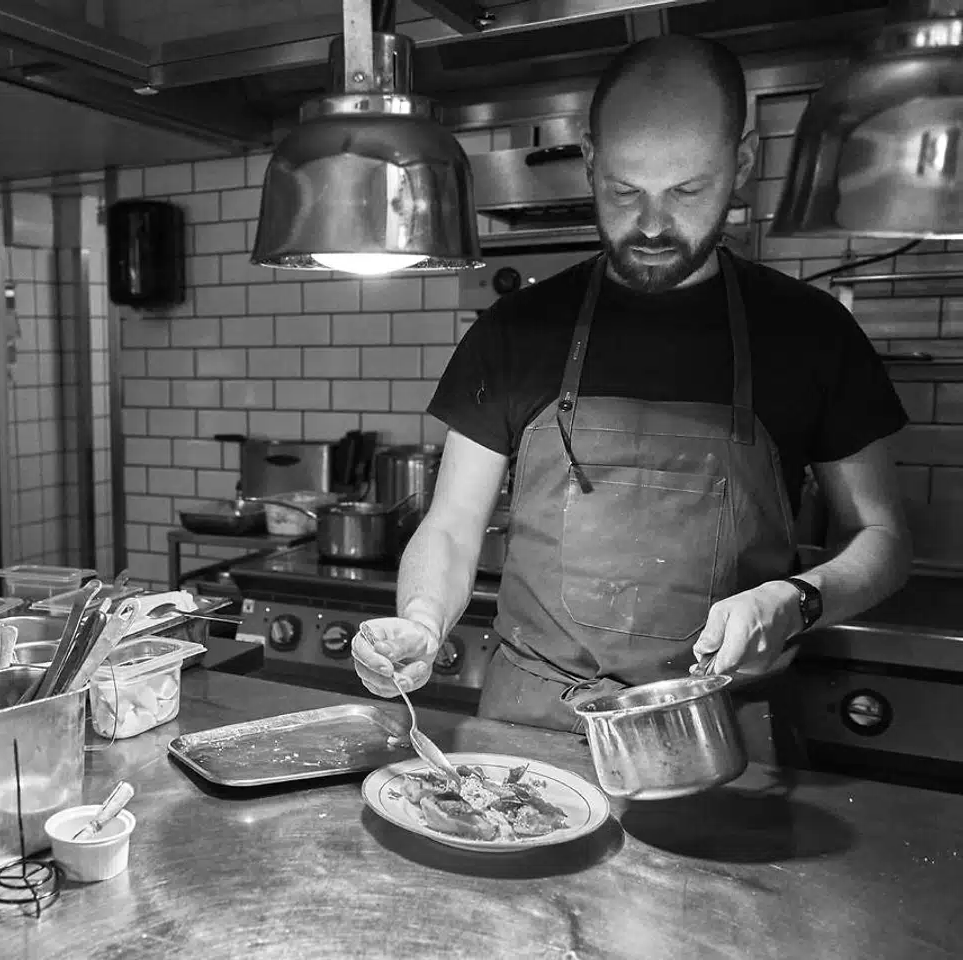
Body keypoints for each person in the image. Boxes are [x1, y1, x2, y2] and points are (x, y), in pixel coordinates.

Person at [351, 35, 913, 757]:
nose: (650, 224)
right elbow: (454, 526)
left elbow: (884, 539)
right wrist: (423, 622)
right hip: (530, 727)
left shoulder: (811, 333)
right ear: (589, 160)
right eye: (623, 190)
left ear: (742, 161)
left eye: (686, 191)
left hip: (715, 731)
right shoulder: (516, 331)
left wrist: (799, 600)